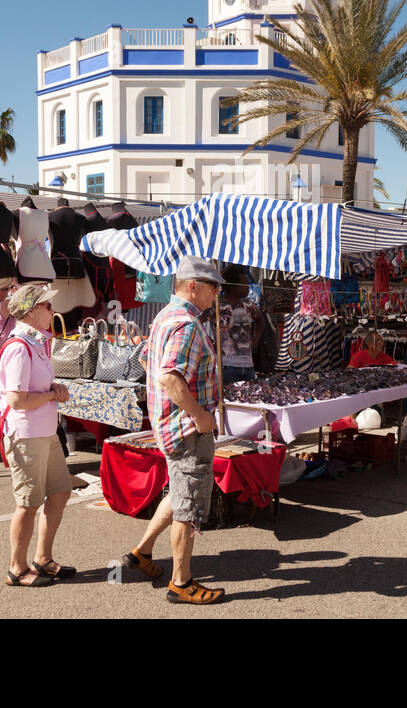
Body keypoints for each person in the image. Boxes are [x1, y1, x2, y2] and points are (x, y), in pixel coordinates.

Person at [124, 256, 227, 605]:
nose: (216, 293)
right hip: (185, 429)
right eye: (213, 287)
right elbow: (169, 376)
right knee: (188, 508)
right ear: (193, 286)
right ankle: (181, 583)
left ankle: (142, 551)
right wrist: (199, 415)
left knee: (179, 493)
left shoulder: (165, 316)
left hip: (168, 426)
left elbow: (146, 361)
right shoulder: (185, 323)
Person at [0, 283, 73, 587]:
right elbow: (16, 400)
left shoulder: (36, 343)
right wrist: (52, 395)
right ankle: (16, 568)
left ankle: (42, 558)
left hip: (43, 431)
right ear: (30, 312)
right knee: (27, 503)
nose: (52, 311)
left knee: (60, 491)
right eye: (47, 306)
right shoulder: (19, 347)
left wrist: (53, 394)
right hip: (26, 434)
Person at [218, 265, 263, 383]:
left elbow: (260, 320)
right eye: (244, 283)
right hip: (226, 367)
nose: (248, 287)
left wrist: (256, 340)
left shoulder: (248, 304)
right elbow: (199, 321)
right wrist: (210, 343)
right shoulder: (218, 305)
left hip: (248, 366)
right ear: (232, 286)